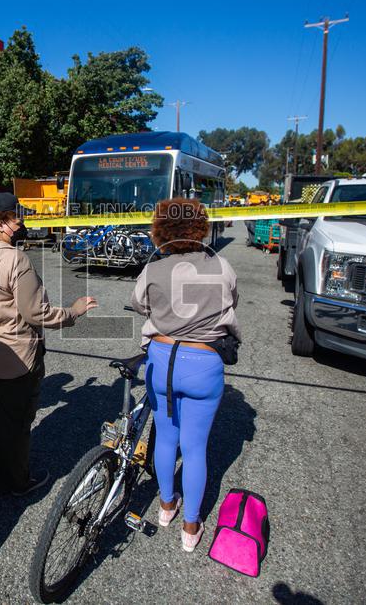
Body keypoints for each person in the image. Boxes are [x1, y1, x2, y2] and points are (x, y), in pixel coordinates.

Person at [0, 192, 97, 497]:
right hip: (15, 359)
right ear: (2, 223)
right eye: (19, 218)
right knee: (13, 425)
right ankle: (15, 481)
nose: (23, 223)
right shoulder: (15, 259)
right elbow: (35, 312)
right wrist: (74, 312)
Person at [130, 198, 241, 552]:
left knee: (165, 438)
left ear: (160, 229)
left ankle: (165, 507)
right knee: (195, 448)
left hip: (161, 360)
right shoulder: (220, 265)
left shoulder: (153, 269)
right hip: (204, 362)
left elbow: (138, 304)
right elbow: (232, 300)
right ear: (200, 227)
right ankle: (191, 527)